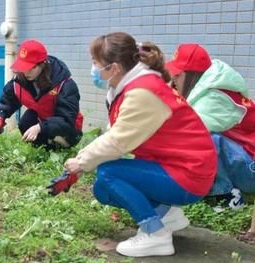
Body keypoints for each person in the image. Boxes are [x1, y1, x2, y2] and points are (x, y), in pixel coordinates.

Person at [50, 32, 217, 257]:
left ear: (114, 68)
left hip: (189, 173)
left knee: (109, 174)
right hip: (179, 166)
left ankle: (155, 235)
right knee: (103, 188)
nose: (93, 68)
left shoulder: (143, 93)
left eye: (95, 63)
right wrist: (83, 162)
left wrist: (81, 162)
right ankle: (167, 215)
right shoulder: (129, 87)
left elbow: (116, 142)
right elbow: (114, 135)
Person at [166, 43, 255, 211]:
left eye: (178, 75)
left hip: (251, 169)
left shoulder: (214, 98)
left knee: (205, 140)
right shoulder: (206, 90)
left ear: (191, 75)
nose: (173, 80)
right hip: (245, 159)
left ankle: (227, 196)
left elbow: (185, 133)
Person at [0, 39, 84, 150]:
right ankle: (42, 152)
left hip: (69, 130)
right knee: (26, 120)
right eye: (24, 67)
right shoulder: (20, 80)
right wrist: (0, 117)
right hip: (44, 121)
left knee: (56, 131)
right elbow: (8, 99)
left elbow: (66, 120)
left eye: (31, 68)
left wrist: (40, 127)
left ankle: (58, 151)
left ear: (42, 65)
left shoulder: (65, 84)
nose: (26, 72)